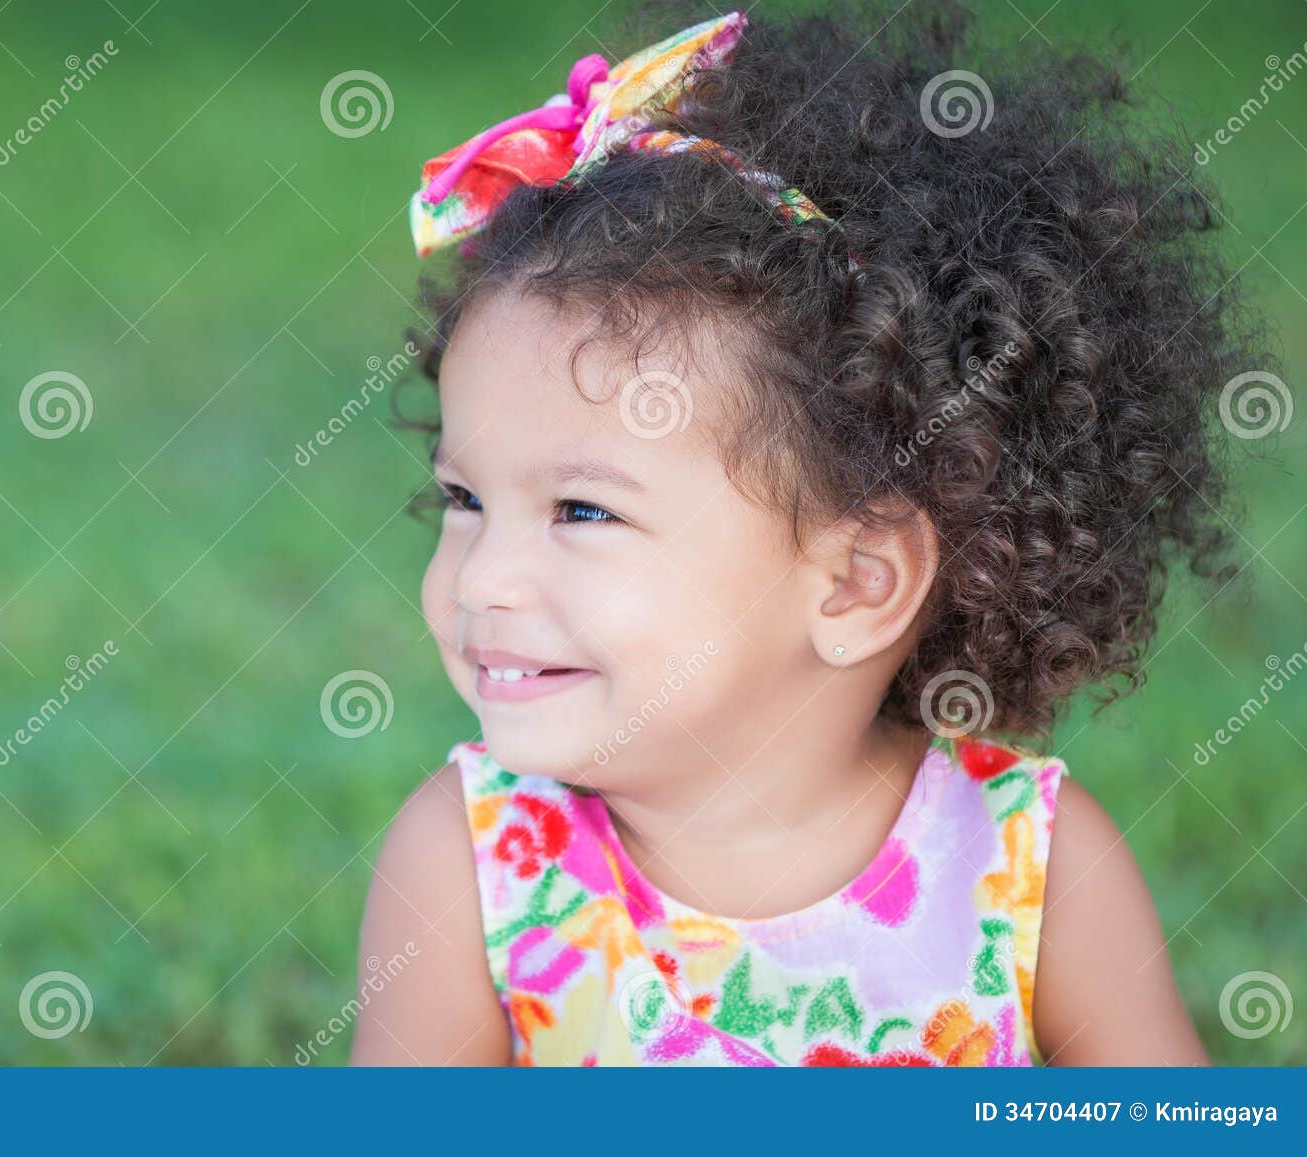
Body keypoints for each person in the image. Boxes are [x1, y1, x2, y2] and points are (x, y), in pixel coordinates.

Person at [352, 0, 1261, 1066]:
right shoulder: (473, 862)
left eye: (582, 511)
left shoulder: (1031, 869)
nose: (482, 580)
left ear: (854, 582)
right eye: (465, 499)